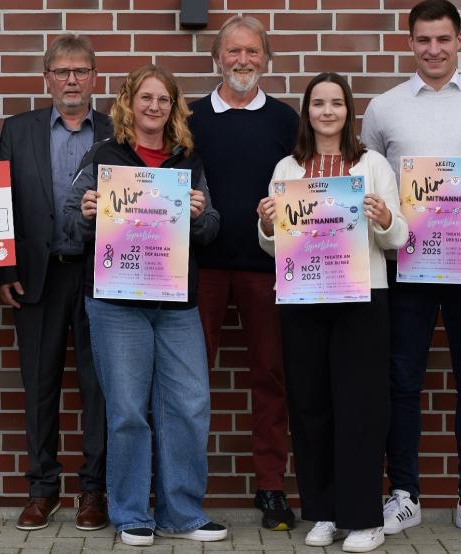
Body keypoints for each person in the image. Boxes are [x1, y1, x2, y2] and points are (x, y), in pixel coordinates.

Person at [360, 0, 461, 539]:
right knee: (402, 380)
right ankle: (403, 494)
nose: (433, 50)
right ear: (409, 43)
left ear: (459, 40)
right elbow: (369, 177)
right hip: (404, 263)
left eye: (443, 39)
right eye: (423, 40)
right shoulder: (383, 108)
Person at [66, 65, 226, 547]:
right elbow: (71, 223)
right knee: (129, 410)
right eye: (146, 98)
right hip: (117, 304)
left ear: (173, 108)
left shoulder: (188, 162)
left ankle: (182, 513)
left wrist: (199, 217)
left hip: (176, 302)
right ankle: (132, 513)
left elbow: (212, 226)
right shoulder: (102, 156)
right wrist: (90, 215)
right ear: (128, 103)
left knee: (190, 404)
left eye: (163, 100)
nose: (154, 107)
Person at [257, 73, 406, 552]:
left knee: (360, 408)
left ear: (348, 111)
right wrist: (265, 224)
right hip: (303, 299)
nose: (327, 111)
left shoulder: (374, 164)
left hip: (361, 298)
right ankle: (322, 512)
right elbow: (274, 245)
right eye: (318, 103)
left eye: (336, 103)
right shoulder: (287, 168)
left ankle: (365, 518)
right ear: (307, 112)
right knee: (310, 407)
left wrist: (384, 218)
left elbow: (399, 236)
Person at [0, 34, 111, 532]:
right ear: (46, 78)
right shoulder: (17, 132)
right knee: (39, 386)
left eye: (80, 71)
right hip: (36, 278)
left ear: (94, 78)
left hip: (100, 275)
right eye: (61, 71)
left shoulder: (114, 131)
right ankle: (42, 490)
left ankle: (92, 491)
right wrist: (2, 270)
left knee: (98, 387)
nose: (71, 80)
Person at [188, 15, 300, 531]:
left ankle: (272, 488)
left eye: (253, 52)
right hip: (199, 267)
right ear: (217, 58)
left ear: (266, 59)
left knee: (271, 379)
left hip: (268, 268)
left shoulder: (285, 120)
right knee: (188, 383)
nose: (242, 61)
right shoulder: (188, 119)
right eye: (233, 52)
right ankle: (181, 490)